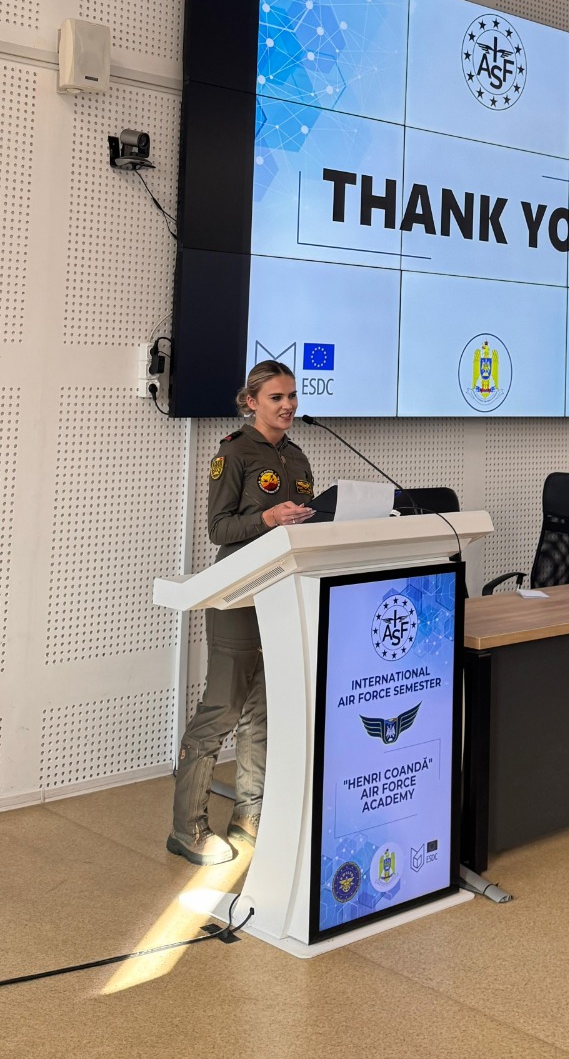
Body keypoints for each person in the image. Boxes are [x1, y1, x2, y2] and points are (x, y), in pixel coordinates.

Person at [167, 360, 315, 864]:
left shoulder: (296, 456)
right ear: (251, 402)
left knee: (263, 710)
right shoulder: (233, 452)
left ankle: (250, 815)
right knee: (223, 709)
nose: (288, 405)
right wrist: (268, 517)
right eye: (276, 397)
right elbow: (219, 528)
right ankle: (187, 828)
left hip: (282, 592)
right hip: (237, 593)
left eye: (292, 396)